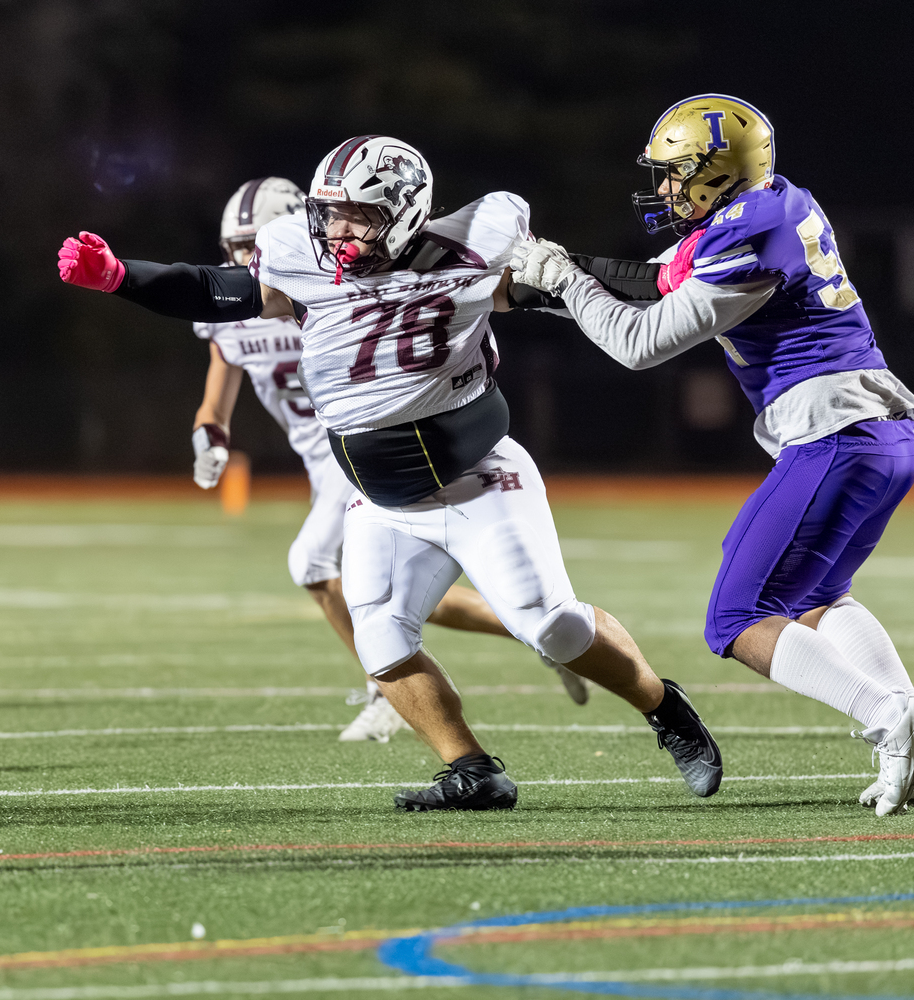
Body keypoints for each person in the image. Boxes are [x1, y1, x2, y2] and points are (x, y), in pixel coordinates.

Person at [58, 136, 722, 810]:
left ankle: (664, 706)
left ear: (407, 213)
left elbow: (582, 279)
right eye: (330, 214)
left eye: (360, 216)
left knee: (552, 626)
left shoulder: (472, 254)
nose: (339, 232)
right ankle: (471, 769)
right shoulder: (303, 262)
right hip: (382, 500)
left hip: (480, 480)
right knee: (379, 637)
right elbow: (219, 289)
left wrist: (675, 280)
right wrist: (121, 276)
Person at [509, 95, 914, 816]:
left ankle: (888, 717)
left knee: (736, 618)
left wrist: (560, 278)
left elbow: (640, 342)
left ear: (717, 172)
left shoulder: (745, 237)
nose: (663, 189)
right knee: (812, 599)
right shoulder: (771, 203)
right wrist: (544, 286)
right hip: (878, 435)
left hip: (836, 434)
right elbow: (653, 279)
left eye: (675, 173)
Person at [193, 177, 591, 742]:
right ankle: (534, 633)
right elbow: (217, 391)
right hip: (322, 458)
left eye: (253, 242)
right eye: (235, 246)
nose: (244, 258)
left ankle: (384, 689)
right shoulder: (240, 309)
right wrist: (210, 432)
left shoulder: (325, 291)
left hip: (364, 446)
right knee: (400, 601)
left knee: (309, 562)